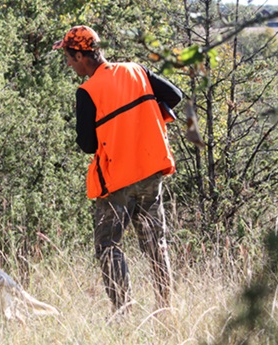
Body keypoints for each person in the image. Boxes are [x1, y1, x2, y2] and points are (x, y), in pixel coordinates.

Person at [53, 25, 182, 313]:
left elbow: (87, 144)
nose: (68, 64)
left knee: (108, 245)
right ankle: (166, 307)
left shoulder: (87, 90)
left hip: (116, 183)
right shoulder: (135, 70)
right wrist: (142, 119)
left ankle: (123, 311)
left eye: (68, 57)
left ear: (81, 55)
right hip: (151, 173)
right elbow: (175, 95)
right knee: (155, 243)